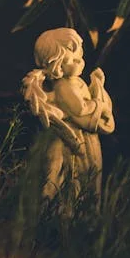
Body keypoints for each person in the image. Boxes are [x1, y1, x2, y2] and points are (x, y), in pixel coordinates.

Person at [22, 28, 115, 209]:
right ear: (56, 66)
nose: (79, 61)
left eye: (79, 55)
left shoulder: (77, 82)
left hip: (87, 139)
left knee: (89, 178)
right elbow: (80, 110)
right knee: (73, 180)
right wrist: (98, 103)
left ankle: (84, 216)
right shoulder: (64, 87)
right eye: (71, 60)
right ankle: (64, 216)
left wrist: (98, 86)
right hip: (75, 142)